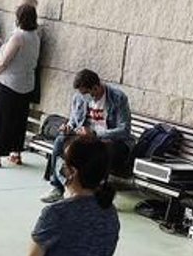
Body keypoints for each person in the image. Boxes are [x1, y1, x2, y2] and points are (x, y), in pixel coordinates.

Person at [42, 69, 132, 204]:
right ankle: (57, 187)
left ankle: (98, 190)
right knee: (61, 140)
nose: (82, 96)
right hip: (84, 136)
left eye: (85, 93)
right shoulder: (79, 97)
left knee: (104, 150)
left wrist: (96, 134)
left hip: (110, 139)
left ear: (95, 88)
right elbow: (74, 120)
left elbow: (124, 130)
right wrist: (68, 127)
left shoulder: (117, 98)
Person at [0, 0, 41, 169]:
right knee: (19, 120)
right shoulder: (35, 36)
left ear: (18, 18)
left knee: (1, 120)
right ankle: (15, 153)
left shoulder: (18, 36)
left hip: (9, 83)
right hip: (27, 83)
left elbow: (6, 60)